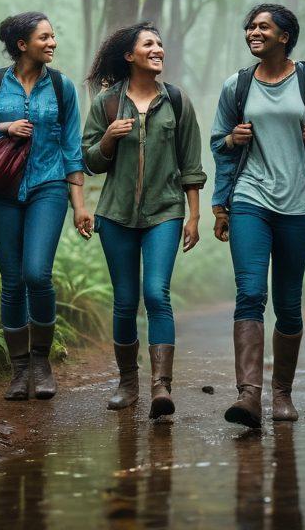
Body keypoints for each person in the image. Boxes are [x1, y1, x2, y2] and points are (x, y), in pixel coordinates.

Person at [209, 3, 305, 428]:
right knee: (250, 294)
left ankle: (282, 394)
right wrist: (222, 196)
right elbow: (219, 144)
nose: (254, 32)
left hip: (298, 202)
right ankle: (249, 397)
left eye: (263, 27)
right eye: (250, 26)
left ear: (284, 36)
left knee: (288, 303)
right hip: (250, 198)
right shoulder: (236, 85)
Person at [0, 12, 92, 401]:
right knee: (12, 280)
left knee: (37, 273)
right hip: (1, 192)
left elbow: (72, 148)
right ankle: (18, 370)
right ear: (22, 44)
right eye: (44, 37)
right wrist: (4, 128)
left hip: (48, 185)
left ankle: (41, 360)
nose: (53, 43)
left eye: (54, 36)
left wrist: (79, 205)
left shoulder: (62, 87)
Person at [82, 22, 206, 416]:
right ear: (129, 55)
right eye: (148, 44)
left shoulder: (176, 101)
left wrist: (194, 215)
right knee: (124, 300)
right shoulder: (107, 103)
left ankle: (161, 387)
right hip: (115, 214)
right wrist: (109, 138)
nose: (158, 50)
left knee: (156, 294)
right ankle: (127, 382)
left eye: (160, 44)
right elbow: (89, 160)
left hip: (165, 213)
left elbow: (190, 163)